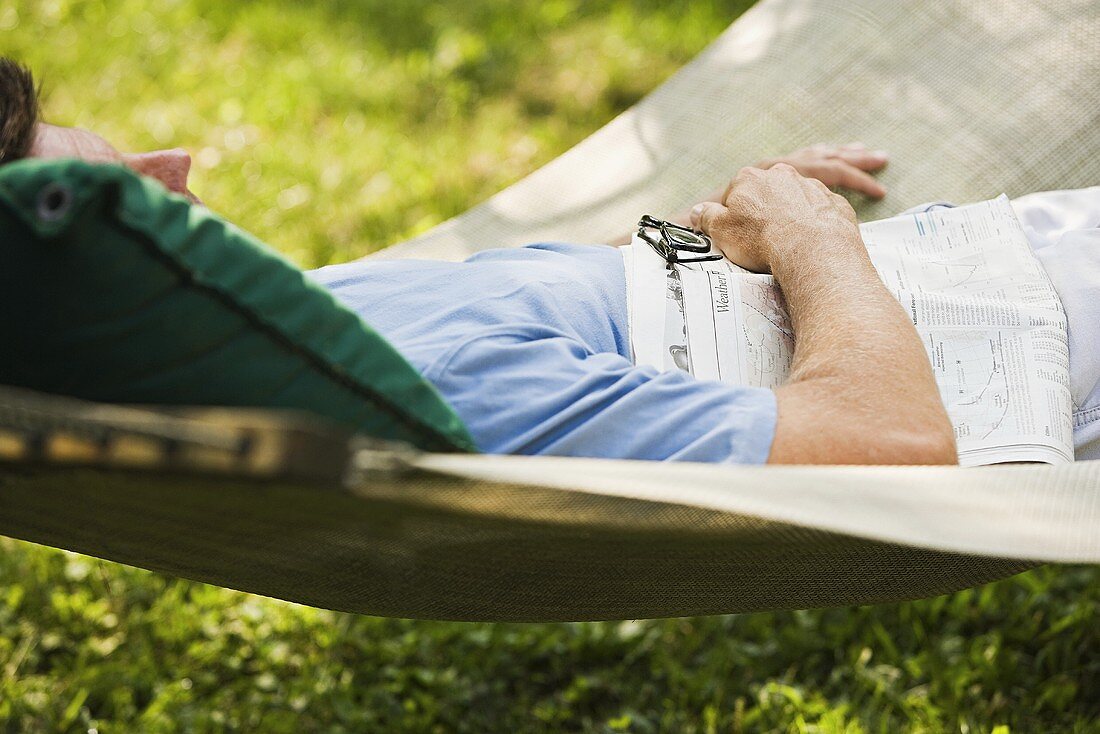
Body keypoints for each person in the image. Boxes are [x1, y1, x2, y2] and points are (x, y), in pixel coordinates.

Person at [2, 59, 1097, 464]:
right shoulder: (457, 389)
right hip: (1007, 336)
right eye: (132, 191)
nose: (181, 163)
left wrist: (724, 216)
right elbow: (892, 444)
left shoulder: (293, 332)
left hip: (927, 274)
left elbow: (588, 312)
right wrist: (811, 239)